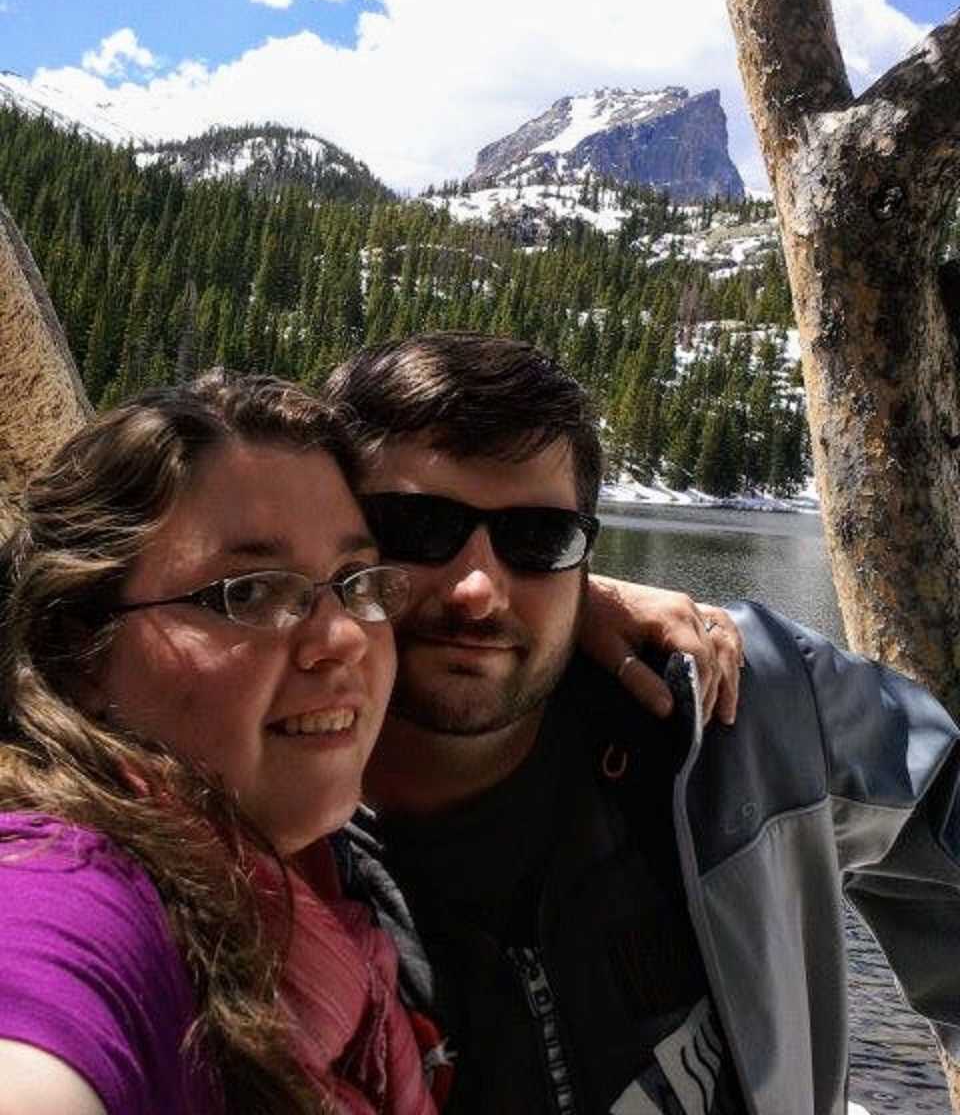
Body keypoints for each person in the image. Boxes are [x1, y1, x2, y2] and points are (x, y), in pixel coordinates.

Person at [325, 331, 960, 1115]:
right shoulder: (251, 845)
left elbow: (942, 796)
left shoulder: (735, 709)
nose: (478, 591)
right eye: (421, 530)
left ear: (584, 561)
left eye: (539, 540)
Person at [0, 372, 440, 1115]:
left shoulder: (302, 875)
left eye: (355, 581)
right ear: (77, 648)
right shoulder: (65, 880)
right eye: (252, 592)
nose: (342, 639)